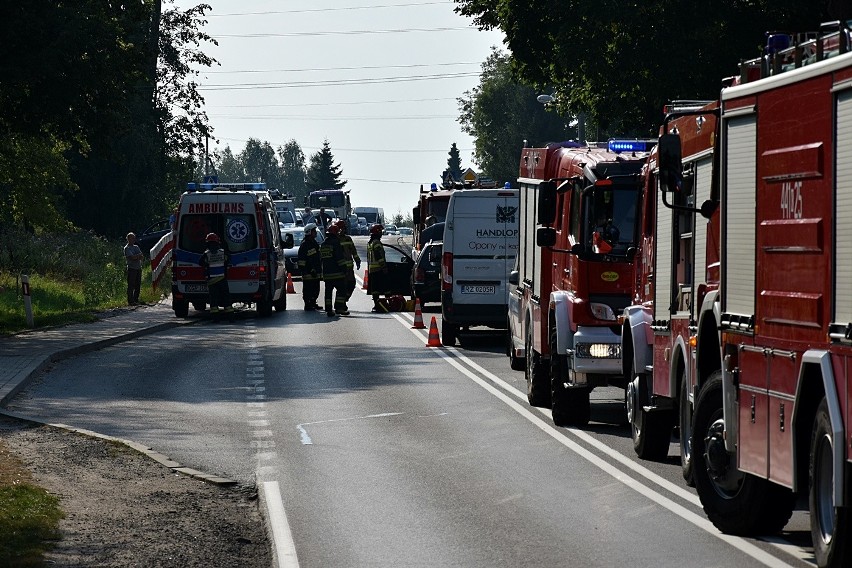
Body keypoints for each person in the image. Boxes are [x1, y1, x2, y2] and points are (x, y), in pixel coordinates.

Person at [199, 232, 232, 320]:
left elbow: (201, 263)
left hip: (212, 280)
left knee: (213, 299)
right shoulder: (223, 252)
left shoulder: (206, 254)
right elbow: (228, 260)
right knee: (226, 297)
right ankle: (230, 316)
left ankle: (215, 317)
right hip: (222, 278)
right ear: (218, 242)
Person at [319, 224, 350, 316]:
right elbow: (339, 258)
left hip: (327, 273)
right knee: (341, 290)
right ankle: (339, 308)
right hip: (337, 273)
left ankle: (328, 309)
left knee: (328, 292)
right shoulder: (336, 243)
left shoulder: (323, 244)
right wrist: (344, 269)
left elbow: (321, 259)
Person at [335, 219, 361, 309]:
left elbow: (353, 251)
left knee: (352, 284)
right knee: (342, 287)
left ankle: (344, 300)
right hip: (340, 269)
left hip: (349, 268)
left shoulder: (348, 239)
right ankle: (340, 305)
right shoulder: (335, 240)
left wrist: (357, 260)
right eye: (342, 228)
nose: (343, 230)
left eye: (344, 228)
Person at [297, 223, 323, 311]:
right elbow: (302, 261)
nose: (315, 233)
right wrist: (308, 270)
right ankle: (307, 304)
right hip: (308, 273)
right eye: (314, 231)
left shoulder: (314, 243)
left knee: (316, 289)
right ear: (309, 232)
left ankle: (313, 302)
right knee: (308, 288)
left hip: (316, 272)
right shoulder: (305, 244)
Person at [367, 224, 388, 312]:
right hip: (378, 269)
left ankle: (377, 304)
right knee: (385, 287)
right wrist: (384, 267)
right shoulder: (376, 243)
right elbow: (379, 256)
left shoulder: (370, 243)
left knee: (375, 289)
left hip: (372, 269)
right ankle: (386, 304)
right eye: (380, 232)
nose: (381, 234)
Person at [123, 232, 144, 306]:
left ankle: (136, 299)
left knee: (138, 285)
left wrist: (136, 256)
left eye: (134, 238)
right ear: (128, 239)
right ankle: (130, 301)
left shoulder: (136, 247)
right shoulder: (127, 248)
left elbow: (141, 256)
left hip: (138, 268)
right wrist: (137, 256)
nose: (134, 239)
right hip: (132, 268)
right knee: (131, 285)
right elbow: (132, 258)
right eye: (132, 238)